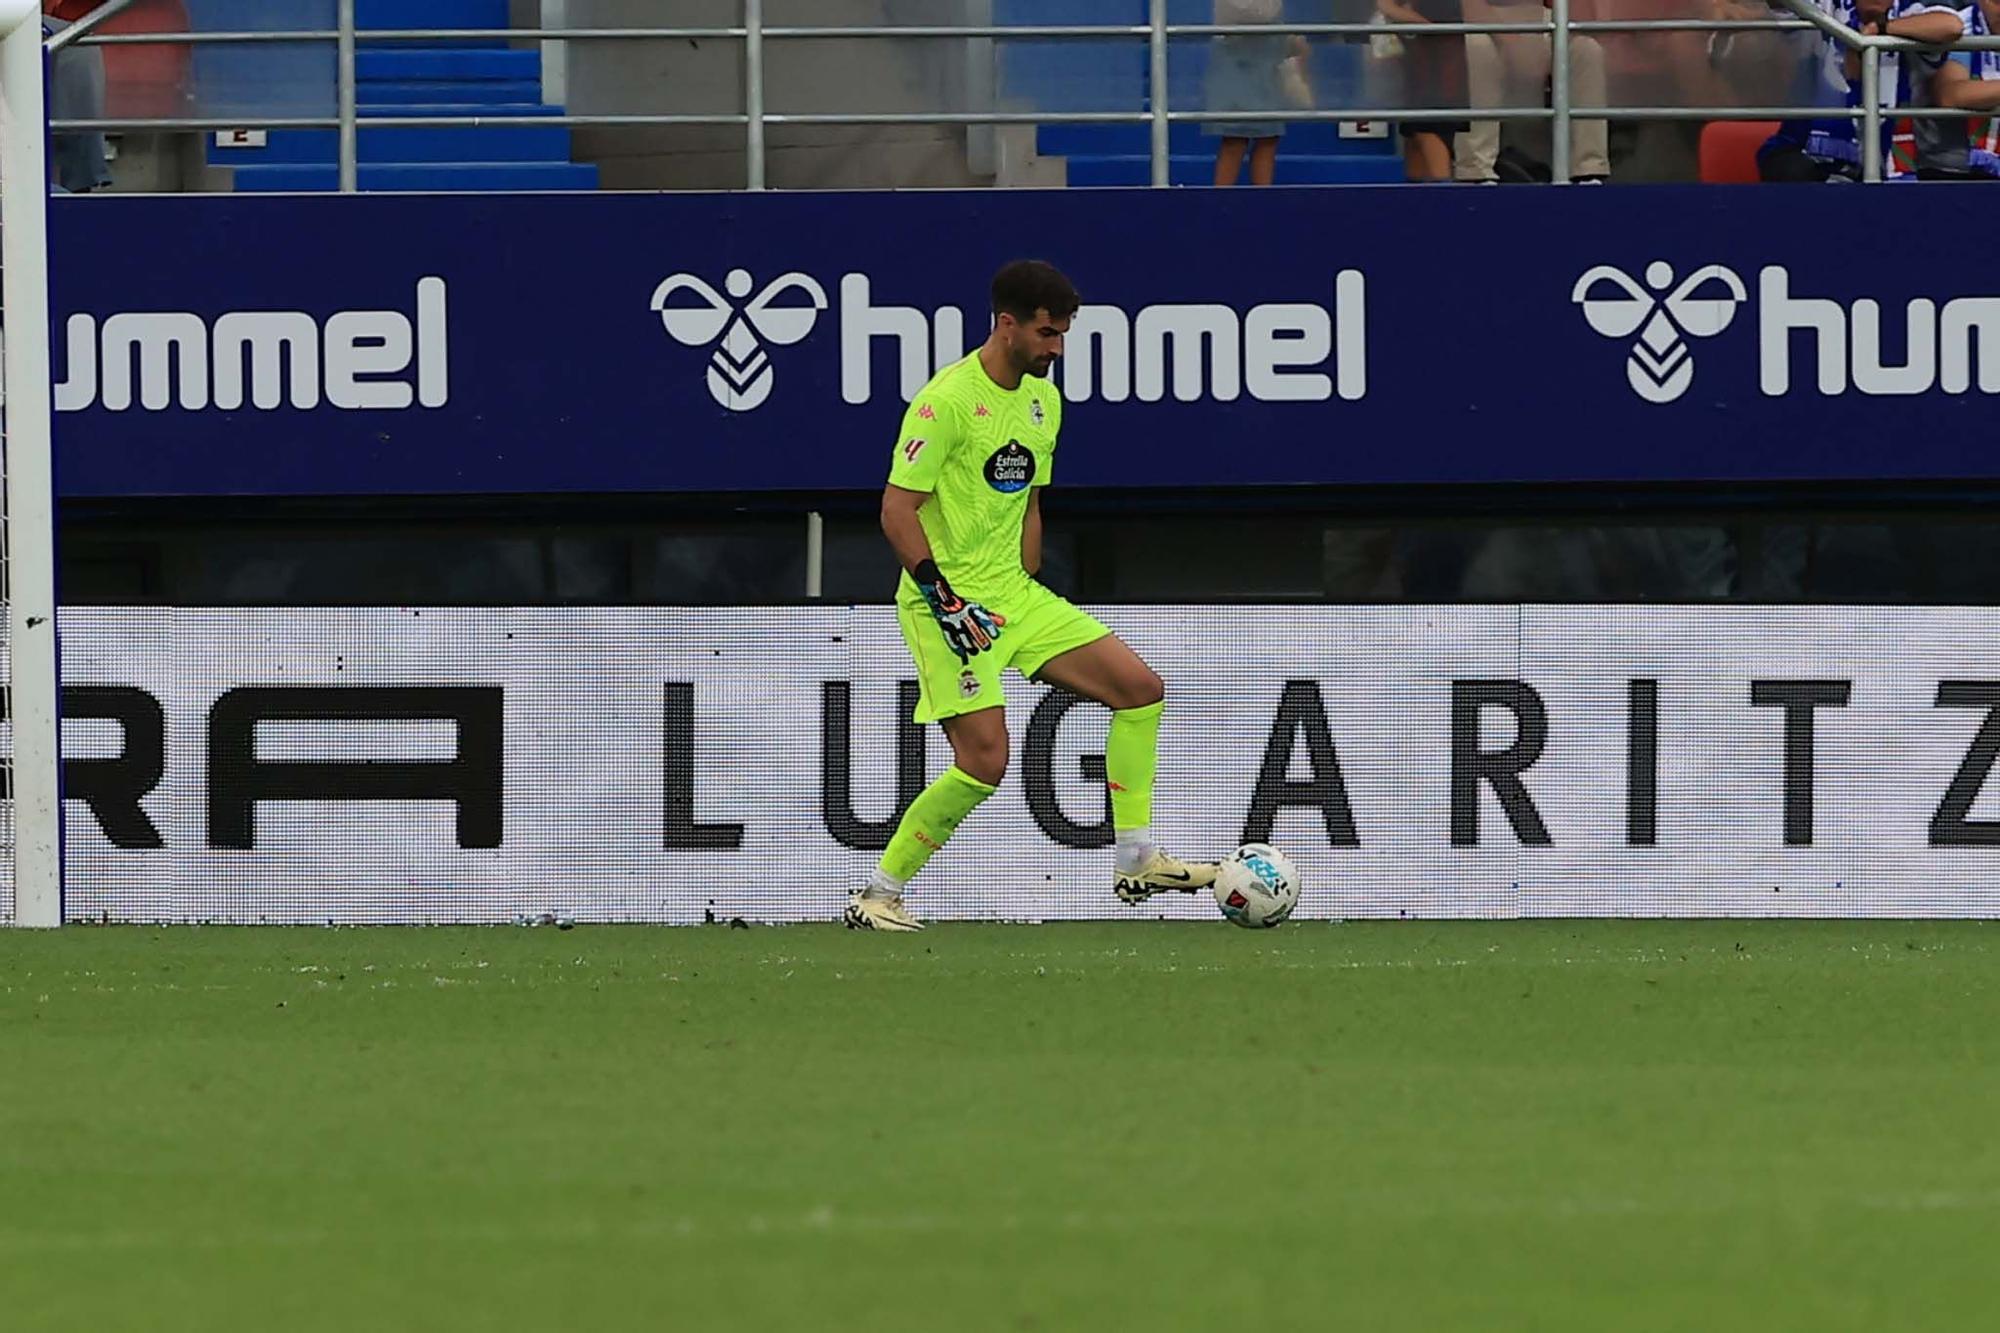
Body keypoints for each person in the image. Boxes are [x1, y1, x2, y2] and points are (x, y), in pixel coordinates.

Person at [846, 261, 1219, 932]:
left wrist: (1030, 582)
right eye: (1047, 334)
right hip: (948, 604)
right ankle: (878, 892)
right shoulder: (945, 402)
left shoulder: (1044, 402)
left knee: (1140, 690)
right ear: (1006, 325)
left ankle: (1136, 858)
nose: (1057, 348)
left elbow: (1029, 500)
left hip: (1016, 596)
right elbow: (896, 511)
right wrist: (943, 598)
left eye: (1063, 334)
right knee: (984, 761)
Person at [1455, 0, 1611, 182]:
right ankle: (1476, 171)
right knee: (1476, 47)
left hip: (1543, 20)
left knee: (1586, 49)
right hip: (1485, 21)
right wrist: (1511, 42)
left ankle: (1588, 170)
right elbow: (1466, 5)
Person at [1205, 0, 1312, 186]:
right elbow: (1251, 14)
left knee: (1268, 138)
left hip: (1266, 65)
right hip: (1238, 64)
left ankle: (1263, 199)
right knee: (1235, 139)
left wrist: (1287, 40)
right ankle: (1220, 199)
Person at [1378, 0, 1470, 180]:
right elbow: (1386, 6)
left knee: (1428, 128)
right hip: (1426, 54)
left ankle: (1435, 189)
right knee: (1423, 128)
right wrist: (1420, 23)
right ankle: (1436, 189)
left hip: (1440, 52)